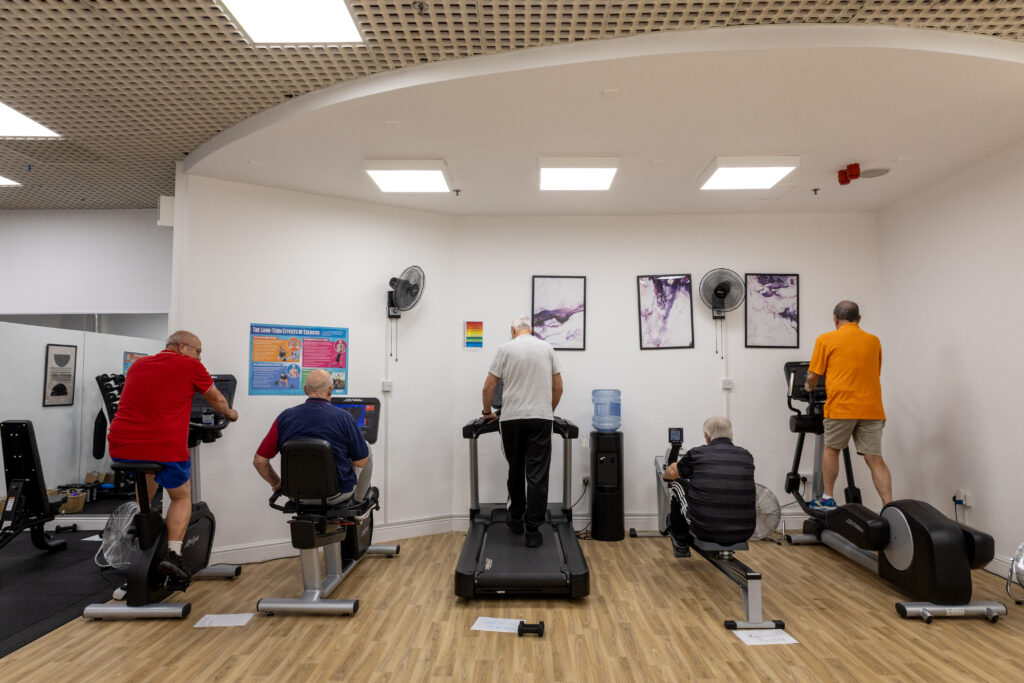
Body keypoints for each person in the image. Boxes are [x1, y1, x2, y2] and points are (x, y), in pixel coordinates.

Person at [107, 330, 238, 580]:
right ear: (182, 347)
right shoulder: (190, 366)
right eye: (198, 351)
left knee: (146, 478)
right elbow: (216, 398)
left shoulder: (138, 365)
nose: (200, 357)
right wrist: (230, 413)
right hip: (163, 445)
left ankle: (142, 519)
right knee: (180, 496)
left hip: (122, 443)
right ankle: (173, 553)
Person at [481, 315, 563, 548]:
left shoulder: (505, 348)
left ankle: (516, 519)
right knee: (537, 475)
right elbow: (558, 386)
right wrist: (548, 410)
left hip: (512, 419)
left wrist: (487, 412)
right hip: (540, 418)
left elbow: (488, 386)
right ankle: (533, 531)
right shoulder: (547, 348)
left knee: (515, 470)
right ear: (531, 329)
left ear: (512, 330)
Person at [804, 300, 891, 511]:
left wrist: (808, 387)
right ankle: (890, 506)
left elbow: (813, 375)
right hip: (871, 408)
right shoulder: (874, 341)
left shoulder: (825, 339)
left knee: (831, 449)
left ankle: (827, 498)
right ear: (859, 319)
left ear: (835, 319)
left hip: (842, 406)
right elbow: (874, 371)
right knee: (875, 458)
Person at [254, 369, 372, 505]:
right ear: (331, 390)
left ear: (305, 390)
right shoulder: (344, 417)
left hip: (296, 496)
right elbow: (361, 462)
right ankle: (359, 502)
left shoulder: (284, 417)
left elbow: (259, 462)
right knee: (366, 447)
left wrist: (278, 484)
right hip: (336, 495)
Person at [661, 416, 756, 557]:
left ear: (707, 436)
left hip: (704, 529)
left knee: (678, 484)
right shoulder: (746, 455)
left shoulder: (697, 453)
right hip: (745, 530)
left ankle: (680, 540)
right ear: (731, 435)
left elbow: (673, 472)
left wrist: (666, 475)